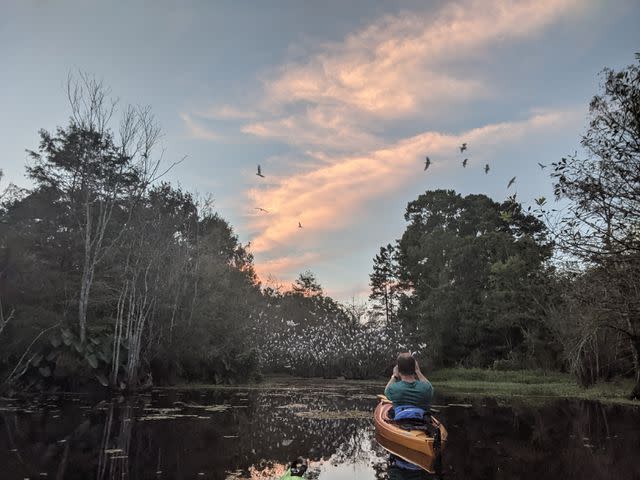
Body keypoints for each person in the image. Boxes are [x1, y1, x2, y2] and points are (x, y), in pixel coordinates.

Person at [384, 353, 434, 417]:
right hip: (421, 421)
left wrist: (394, 376)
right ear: (415, 368)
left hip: (400, 421)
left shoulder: (394, 388)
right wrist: (418, 371)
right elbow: (430, 388)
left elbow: (386, 391)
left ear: (398, 370)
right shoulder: (426, 388)